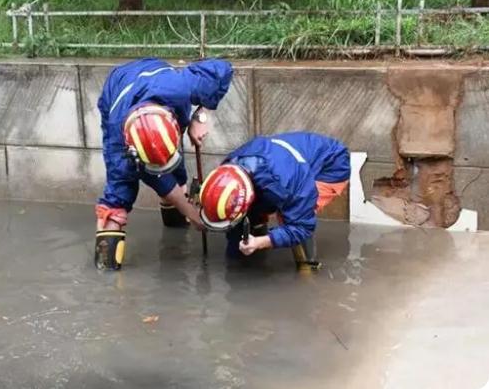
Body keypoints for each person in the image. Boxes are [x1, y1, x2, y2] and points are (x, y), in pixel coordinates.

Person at [95, 57, 233, 270]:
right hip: (118, 88)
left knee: (175, 173)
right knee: (118, 196)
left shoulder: (181, 87)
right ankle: (106, 269)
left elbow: (222, 68)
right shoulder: (119, 141)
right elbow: (154, 175)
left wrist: (200, 116)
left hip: (156, 75)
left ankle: (176, 226)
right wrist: (191, 212)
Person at [198, 132, 350, 267]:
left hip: (331, 164)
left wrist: (260, 243)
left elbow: (302, 227)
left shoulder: (287, 185)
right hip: (287, 158)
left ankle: (307, 266)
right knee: (247, 217)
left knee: (291, 219)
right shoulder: (228, 169)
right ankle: (248, 245)